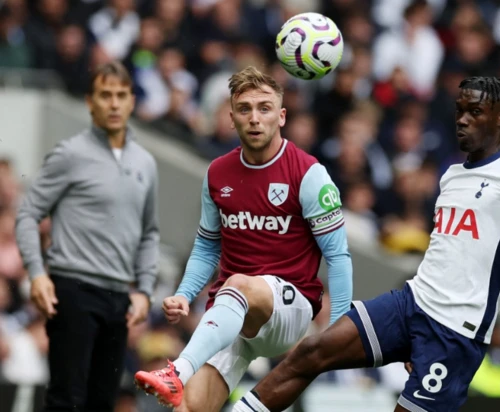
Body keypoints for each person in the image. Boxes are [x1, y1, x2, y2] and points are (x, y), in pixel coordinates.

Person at [231, 76, 500, 412]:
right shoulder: (451, 175)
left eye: (476, 112)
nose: (463, 119)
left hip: (454, 335)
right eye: (460, 110)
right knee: (311, 352)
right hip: (412, 304)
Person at [133, 66, 353, 411]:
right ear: (231, 116)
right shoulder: (217, 173)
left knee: (239, 285)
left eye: (264, 108)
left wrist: (338, 332)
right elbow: (207, 245)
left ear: (281, 117)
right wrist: (185, 294)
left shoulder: (310, 175)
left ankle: (177, 370)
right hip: (234, 316)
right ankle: (182, 383)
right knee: (189, 408)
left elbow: (338, 256)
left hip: (289, 309)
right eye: (245, 109)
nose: (254, 118)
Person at [15, 61, 160, 411]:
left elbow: (149, 233)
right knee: (66, 400)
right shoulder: (70, 154)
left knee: (102, 402)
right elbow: (27, 213)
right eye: (105, 95)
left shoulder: (145, 163)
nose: (113, 104)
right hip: (73, 289)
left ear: (131, 101)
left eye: (121, 96)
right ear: (89, 101)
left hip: (119, 298)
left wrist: (144, 290)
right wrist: (36, 274)